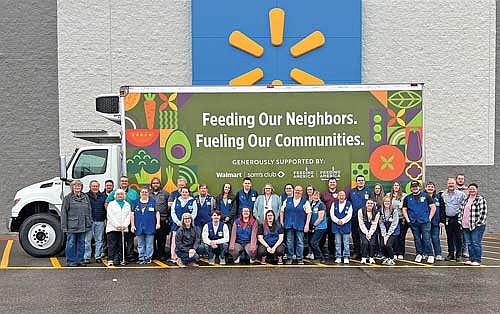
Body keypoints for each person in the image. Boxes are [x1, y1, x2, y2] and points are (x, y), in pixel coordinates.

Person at [105, 176, 139, 262]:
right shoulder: (113, 194)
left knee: (127, 240)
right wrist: (116, 224)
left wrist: (126, 224)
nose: (124, 182)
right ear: (120, 182)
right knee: (114, 243)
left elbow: (133, 210)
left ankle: (128, 255)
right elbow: (107, 207)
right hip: (114, 224)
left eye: (126, 181)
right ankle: (113, 258)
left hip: (128, 222)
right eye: (122, 181)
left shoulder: (133, 194)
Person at [402, 181, 436, 264]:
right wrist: (408, 220)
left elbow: (433, 207)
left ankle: (430, 255)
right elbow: (404, 209)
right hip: (414, 222)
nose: (415, 188)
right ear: (410, 188)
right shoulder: (407, 198)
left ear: (419, 187)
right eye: (413, 187)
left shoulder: (426, 196)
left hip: (425, 221)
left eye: (416, 186)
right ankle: (419, 254)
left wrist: (429, 218)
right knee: (417, 239)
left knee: (426, 238)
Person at [61, 180, 92, 267]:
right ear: (72, 187)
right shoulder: (68, 198)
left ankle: (80, 260)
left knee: (81, 243)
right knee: (70, 243)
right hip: (72, 226)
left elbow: (89, 210)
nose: (77, 187)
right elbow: (64, 212)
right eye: (75, 186)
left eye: (79, 186)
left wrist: (90, 221)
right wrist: (64, 226)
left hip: (83, 225)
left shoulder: (85, 197)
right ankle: (71, 261)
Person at [280, 185, 312, 265]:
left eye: (299, 190)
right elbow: (282, 211)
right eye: (296, 190)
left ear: (301, 192)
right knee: (289, 241)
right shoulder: (287, 200)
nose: (297, 192)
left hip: (300, 225)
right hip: (289, 224)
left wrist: (307, 225)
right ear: (294, 191)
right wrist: (281, 222)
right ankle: (290, 258)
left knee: (300, 242)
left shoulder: (305, 201)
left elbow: (309, 213)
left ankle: (299, 258)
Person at [459, 184, 487, 266]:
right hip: (465, 225)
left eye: (473, 189)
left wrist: (478, 224)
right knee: (469, 243)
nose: (472, 190)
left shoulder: (480, 199)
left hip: (477, 226)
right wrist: (460, 221)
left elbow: (483, 213)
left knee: (476, 243)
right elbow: (461, 211)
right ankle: (471, 259)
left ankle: (477, 260)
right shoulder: (465, 199)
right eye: (470, 189)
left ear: (477, 190)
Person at [131, 186, 160, 264]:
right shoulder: (136, 202)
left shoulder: (153, 202)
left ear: (148, 193)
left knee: (149, 244)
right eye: (142, 192)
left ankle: (148, 258)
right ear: (140, 193)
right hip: (139, 225)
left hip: (150, 226)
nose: (144, 193)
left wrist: (158, 223)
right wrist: (133, 225)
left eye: (145, 192)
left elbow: (157, 213)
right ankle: (141, 257)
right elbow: (132, 214)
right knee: (140, 243)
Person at [348, 175, 375, 259]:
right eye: (359, 180)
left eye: (362, 180)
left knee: (365, 235)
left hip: (366, 218)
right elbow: (349, 204)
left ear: (364, 181)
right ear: (356, 182)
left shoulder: (369, 191)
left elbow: (372, 203)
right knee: (355, 235)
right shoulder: (352, 191)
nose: (360, 182)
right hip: (354, 217)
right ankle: (357, 252)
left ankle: (366, 253)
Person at [441, 178, 466, 261]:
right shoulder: (443, 194)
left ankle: (458, 254)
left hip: (457, 218)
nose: (450, 185)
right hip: (448, 219)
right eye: (449, 183)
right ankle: (450, 254)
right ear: (447, 184)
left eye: (452, 183)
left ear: (455, 184)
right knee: (449, 237)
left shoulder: (461, 194)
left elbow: (465, 206)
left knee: (459, 237)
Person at [170, 187, 198, 263]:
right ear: (180, 193)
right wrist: (178, 222)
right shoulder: (176, 200)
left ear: (188, 193)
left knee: (187, 241)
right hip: (177, 225)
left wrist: (186, 222)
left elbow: (194, 213)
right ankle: (174, 257)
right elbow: (173, 212)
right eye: (183, 192)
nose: (184, 193)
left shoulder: (192, 201)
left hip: (188, 226)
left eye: (186, 192)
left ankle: (186, 257)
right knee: (175, 241)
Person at [105, 189, 131, 266]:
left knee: (121, 244)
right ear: (115, 196)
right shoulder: (111, 204)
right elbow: (110, 216)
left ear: (124, 196)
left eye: (122, 194)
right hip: (113, 228)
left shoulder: (127, 204)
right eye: (118, 194)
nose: (120, 196)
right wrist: (117, 225)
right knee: (112, 244)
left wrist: (125, 225)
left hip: (123, 228)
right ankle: (111, 259)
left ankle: (120, 259)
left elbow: (128, 216)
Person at [85, 180, 107, 264]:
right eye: (93, 186)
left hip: (100, 221)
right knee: (87, 240)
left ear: (99, 187)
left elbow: (105, 208)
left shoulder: (103, 196)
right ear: (90, 187)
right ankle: (87, 257)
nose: (95, 188)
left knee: (99, 240)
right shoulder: (86, 196)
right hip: (89, 221)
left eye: (96, 186)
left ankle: (98, 256)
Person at [149, 177, 170, 261]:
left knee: (161, 239)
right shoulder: (149, 194)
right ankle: (153, 254)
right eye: (154, 183)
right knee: (152, 238)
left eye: (157, 183)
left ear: (160, 184)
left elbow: (169, 206)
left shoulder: (165, 193)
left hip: (162, 219)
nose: (155, 184)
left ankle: (161, 254)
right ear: (151, 184)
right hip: (151, 220)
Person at [425, 182, 446, 261]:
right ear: (426, 188)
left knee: (435, 238)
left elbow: (442, 210)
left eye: (432, 187)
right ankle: (426, 253)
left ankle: (438, 254)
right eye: (428, 186)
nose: (430, 188)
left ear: (434, 188)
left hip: (436, 222)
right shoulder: (423, 197)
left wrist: (442, 221)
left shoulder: (438, 197)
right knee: (426, 238)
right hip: (425, 222)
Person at [320, 177, 339, 259]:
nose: (332, 183)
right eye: (330, 182)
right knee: (322, 236)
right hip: (325, 218)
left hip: (335, 219)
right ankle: (320, 252)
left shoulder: (339, 193)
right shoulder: (324, 194)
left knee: (332, 237)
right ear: (328, 184)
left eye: (333, 182)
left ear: (336, 183)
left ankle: (332, 253)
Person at [331, 190, 352, 264]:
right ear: (338, 196)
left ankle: (346, 256)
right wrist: (337, 221)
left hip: (345, 226)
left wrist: (342, 221)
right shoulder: (334, 204)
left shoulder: (349, 204)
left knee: (346, 242)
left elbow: (349, 215)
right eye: (340, 195)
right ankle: (338, 256)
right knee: (338, 242)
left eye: (343, 195)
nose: (341, 197)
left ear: (345, 196)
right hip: (336, 226)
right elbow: (332, 214)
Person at [379, 196, 399, 265]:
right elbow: (381, 223)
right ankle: (386, 257)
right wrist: (384, 235)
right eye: (385, 201)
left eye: (388, 201)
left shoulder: (394, 211)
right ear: (383, 202)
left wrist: (388, 235)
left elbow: (394, 223)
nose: (387, 203)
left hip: (393, 231)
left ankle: (391, 258)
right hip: (385, 230)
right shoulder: (381, 211)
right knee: (382, 244)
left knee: (388, 245)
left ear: (390, 203)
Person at [358, 199, 380, 264]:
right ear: (366, 204)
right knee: (365, 243)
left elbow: (374, 224)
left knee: (372, 243)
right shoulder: (361, 211)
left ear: (373, 205)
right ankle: (364, 257)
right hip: (363, 229)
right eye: (368, 203)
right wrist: (366, 233)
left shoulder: (376, 212)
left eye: (371, 203)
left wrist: (370, 233)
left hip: (372, 230)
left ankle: (371, 257)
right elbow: (361, 223)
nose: (370, 205)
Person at [390, 181, 407, 259]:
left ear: (400, 187)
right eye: (395, 185)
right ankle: (394, 252)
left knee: (401, 236)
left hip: (401, 219)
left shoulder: (404, 196)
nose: (396, 187)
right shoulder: (389, 196)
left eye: (397, 185)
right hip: (392, 220)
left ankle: (401, 253)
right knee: (394, 237)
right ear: (393, 187)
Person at [308, 191, 327, 263]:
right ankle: (316, 257)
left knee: (313, 242)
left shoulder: (321, 205)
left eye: (317, 196)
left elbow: (320, 218)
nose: (316, 197)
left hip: (320, 227)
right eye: (314, 196)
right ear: (312, 196)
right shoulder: (310, 204)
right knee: (310, 242)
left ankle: (321, 257)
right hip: (312, 226)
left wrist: (313, 226)